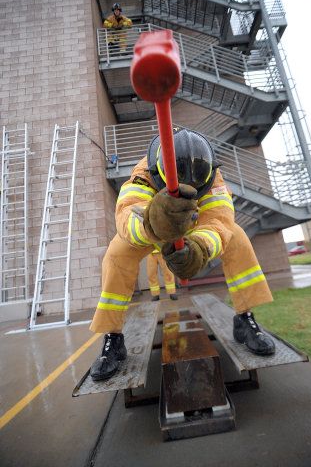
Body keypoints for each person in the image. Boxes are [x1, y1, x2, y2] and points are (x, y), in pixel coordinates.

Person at [89, 129, 275, 382]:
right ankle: (113, 337)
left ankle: (245, 318)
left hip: (193, 228)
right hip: (153, 230)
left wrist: (200, 247)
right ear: (159, 172)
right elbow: (127, 217)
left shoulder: (213, 176)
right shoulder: (143, 173)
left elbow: (220, 220)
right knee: (116, 254)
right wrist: (153, 224)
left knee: (238, 238)